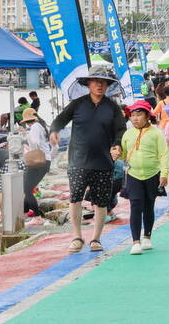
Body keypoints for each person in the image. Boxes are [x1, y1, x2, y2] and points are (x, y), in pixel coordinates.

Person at [50, 66, 127, 253]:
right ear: (88, 84)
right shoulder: (78, 104)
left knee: (101, 202)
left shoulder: (113, 107)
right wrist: (54, 131)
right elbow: (60, 120)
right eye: (96, 81)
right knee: (75, 199)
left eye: (103, 82)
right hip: (78, 161)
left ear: (108, 86)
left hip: (103, 162)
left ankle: (96, 239)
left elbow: (121, 130)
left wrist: (117, 145)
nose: (99, 85)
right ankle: (77, 236)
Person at [113, 100, 168, 254]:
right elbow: (124, 154)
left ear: (147, 116)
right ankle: (135, 242)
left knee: (149, 206)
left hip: (153, 174)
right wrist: (117, 153)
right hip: (133, 174)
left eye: (139, 114)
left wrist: (164, 174)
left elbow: (163, 154)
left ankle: (147, 237)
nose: (135, 118)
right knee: (135, 205)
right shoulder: (127, 134)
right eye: (132, 115)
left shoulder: (157, 133)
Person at [20, 108, 52, 217]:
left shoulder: (34, 127)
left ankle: (37, 216)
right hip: (45, 161)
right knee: (28, 188)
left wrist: (25, 133)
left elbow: (35, 143)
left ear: (27, 121)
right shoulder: (41, 126)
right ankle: (26, 212)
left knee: (27, 189)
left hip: (39, 162)